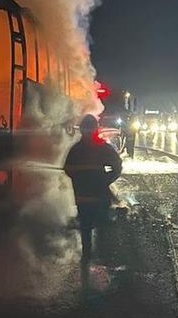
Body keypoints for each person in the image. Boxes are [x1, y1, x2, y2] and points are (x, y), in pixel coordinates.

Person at [64, 114, 123, 266]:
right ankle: (105, 259)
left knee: (85, 227)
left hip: (82, 197)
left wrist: (78, 180)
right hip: (100, 196)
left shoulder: (75, 150)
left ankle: (87, 255)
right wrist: (106, 180)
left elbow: (67, 169)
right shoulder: (103, 148)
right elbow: (117, 166)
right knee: (102, 224)